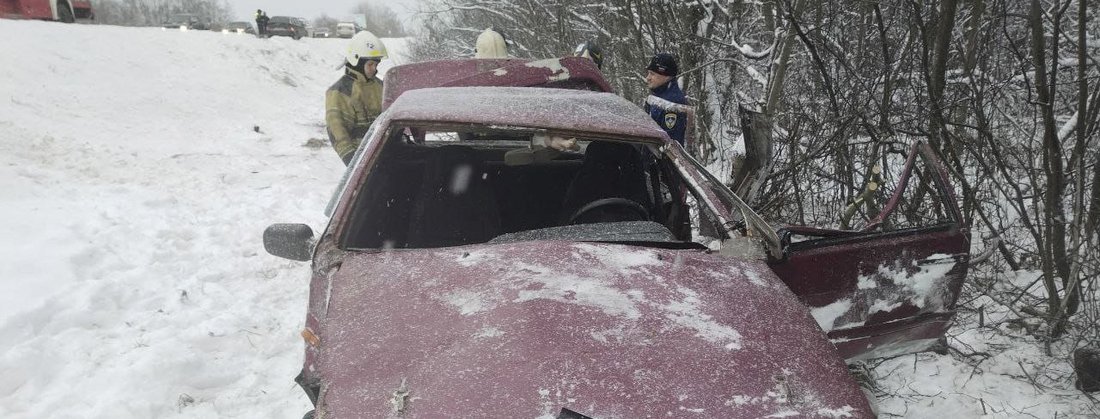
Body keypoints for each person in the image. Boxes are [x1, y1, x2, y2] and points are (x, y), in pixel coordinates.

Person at [326, 31, 387, 165]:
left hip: (385, 155)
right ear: (357, 62)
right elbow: (337, 131)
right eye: (370, 64)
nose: (374, 69)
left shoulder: (380, 85)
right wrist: (353, 163)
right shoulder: (340, 91)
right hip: (362, 160)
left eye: (376, 65)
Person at [643, 52, 689, 146]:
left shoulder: (672, 104)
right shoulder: (658, 97)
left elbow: (670, 146)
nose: (647, 78)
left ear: (666, 75)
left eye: (652, 74)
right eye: (648, 73)